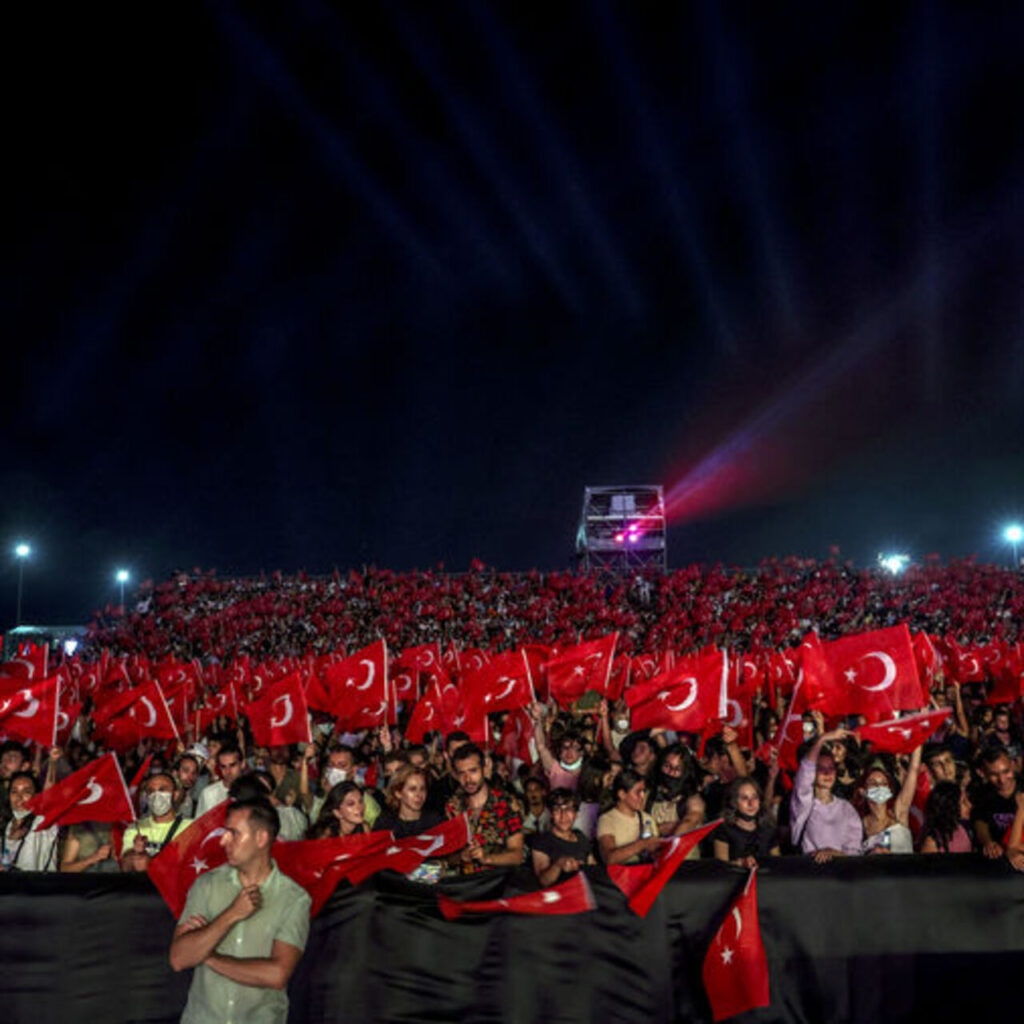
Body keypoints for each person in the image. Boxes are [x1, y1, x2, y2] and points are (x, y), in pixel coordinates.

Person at [170, 798, 311, 1024]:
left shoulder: (294, 899)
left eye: (233, 833)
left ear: (261, 838)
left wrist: (209, 956)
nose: (223, 841)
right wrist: (232, 914)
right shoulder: (207, 884)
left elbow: (277, 975)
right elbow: (179, 958)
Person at [445, 743, 524, 874]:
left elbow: (517, 855)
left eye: (473, 771)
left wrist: (486, 858)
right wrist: (462, 857)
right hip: (463, 885)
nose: (468, 779)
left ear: (484, 768)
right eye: (462, 774)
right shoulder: (453, 806)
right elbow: (448, 858)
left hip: (497, 883)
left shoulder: (507, 803)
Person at [789, 728, 863, 863]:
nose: (827, 773)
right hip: (809, 875)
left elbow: (854, 851)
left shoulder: (846, 808)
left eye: (831, 768)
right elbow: (806, 769)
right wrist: (822, 739)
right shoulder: (803, 804)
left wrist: (833, 853)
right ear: (813, 773)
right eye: (821, 769)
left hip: (840, 877)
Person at [122, 771, 192, 871]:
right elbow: (126, 867)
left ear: (175, 795)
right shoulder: (136, 827)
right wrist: (137, 854)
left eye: (162, 790)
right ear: (146, 797)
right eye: (151, 791)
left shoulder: (190, 827)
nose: (156, 795)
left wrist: (147, 860)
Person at [860, 748, 921, 854]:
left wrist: (918, 738)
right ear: (863, 791)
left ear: (890, 790)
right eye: (873, 783)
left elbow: (913, 769)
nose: (879, 787)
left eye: (884, 783)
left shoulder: (898, 813)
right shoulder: (859, 825)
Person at [596, 769, 660, 866]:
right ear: (622, 794)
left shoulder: (648, 819)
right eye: (638, 792)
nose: (642, 796)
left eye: (643, 791)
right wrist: (642, 844)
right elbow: (609, 858)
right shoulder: (607, 820)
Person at [713, 777, 781, 868]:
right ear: (734, 802)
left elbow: (777, 863)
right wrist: (740, 864)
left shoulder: (768, 828)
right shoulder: (724, 829)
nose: (751, 803)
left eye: (755, 798)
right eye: (745, 798)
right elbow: (720, 866)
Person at [531, 788, 593, 886]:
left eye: (568, 809)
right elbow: (543, 881)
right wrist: (558, 865)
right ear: (551, 814)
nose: (563, 816)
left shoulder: (580, 837)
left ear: (576, 814)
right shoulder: (542, 841)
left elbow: (594, 870)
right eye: (557, 810)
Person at [971, 746, 1021, 862]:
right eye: (994, 775)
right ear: (983, 773)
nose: (1002, 780)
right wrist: (988, 842)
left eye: (1006, 771)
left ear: (1013, 765)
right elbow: (980, 821)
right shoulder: (982, 793)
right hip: (996, 859)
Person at [373, 765, 444, 838]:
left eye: (422, 789)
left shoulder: (435, 821)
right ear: (398, 793)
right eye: (412, 789)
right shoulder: (385, 824)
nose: (419, 795)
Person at [919, 781, 973, 854]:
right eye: (963, 802)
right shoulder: (933, 841)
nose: (969, 805)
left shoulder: (964, 830)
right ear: (950, 806)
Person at [194, 744, 245, 817]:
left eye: (232, 765)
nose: (228, 771)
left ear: (242, 764)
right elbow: (199, 825)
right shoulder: (208, 794)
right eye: (223, 767)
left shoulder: (253, 791)